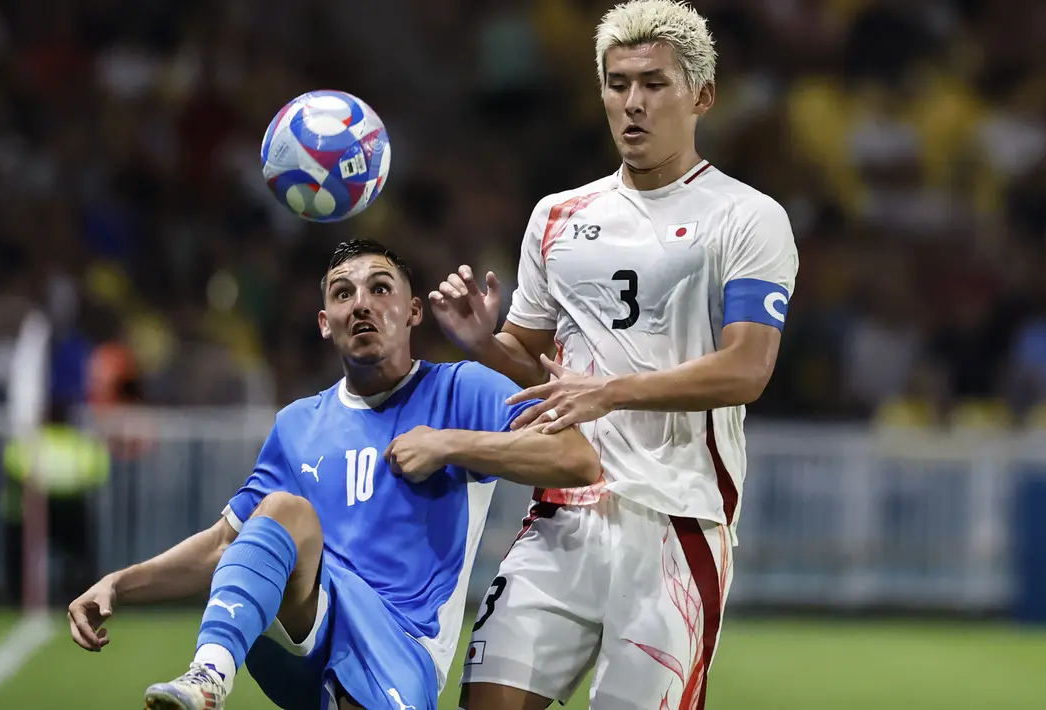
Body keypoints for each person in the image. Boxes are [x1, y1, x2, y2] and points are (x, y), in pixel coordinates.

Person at [430, 1, 799, 708]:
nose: (631, 103)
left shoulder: (747, 217)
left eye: (653, 83)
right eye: (615, 82)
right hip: (562, 516)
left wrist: (614, 390)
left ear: (701, 95)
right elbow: (544, 374)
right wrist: (486, 344)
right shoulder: (558, 216)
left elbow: (747, 369)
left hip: (676, 522)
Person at [66, 239, 600, 710]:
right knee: (281, 512)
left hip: (402, 645)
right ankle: (209, 674)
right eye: (343, 294)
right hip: (308, 628)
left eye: (381, 289)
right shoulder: (298, 423)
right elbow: (223, 546)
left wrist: (449, 445)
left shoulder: (465, 389)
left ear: (414, 312)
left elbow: (577, 460)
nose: (362, 303)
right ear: (326, 322)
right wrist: (120, 582)